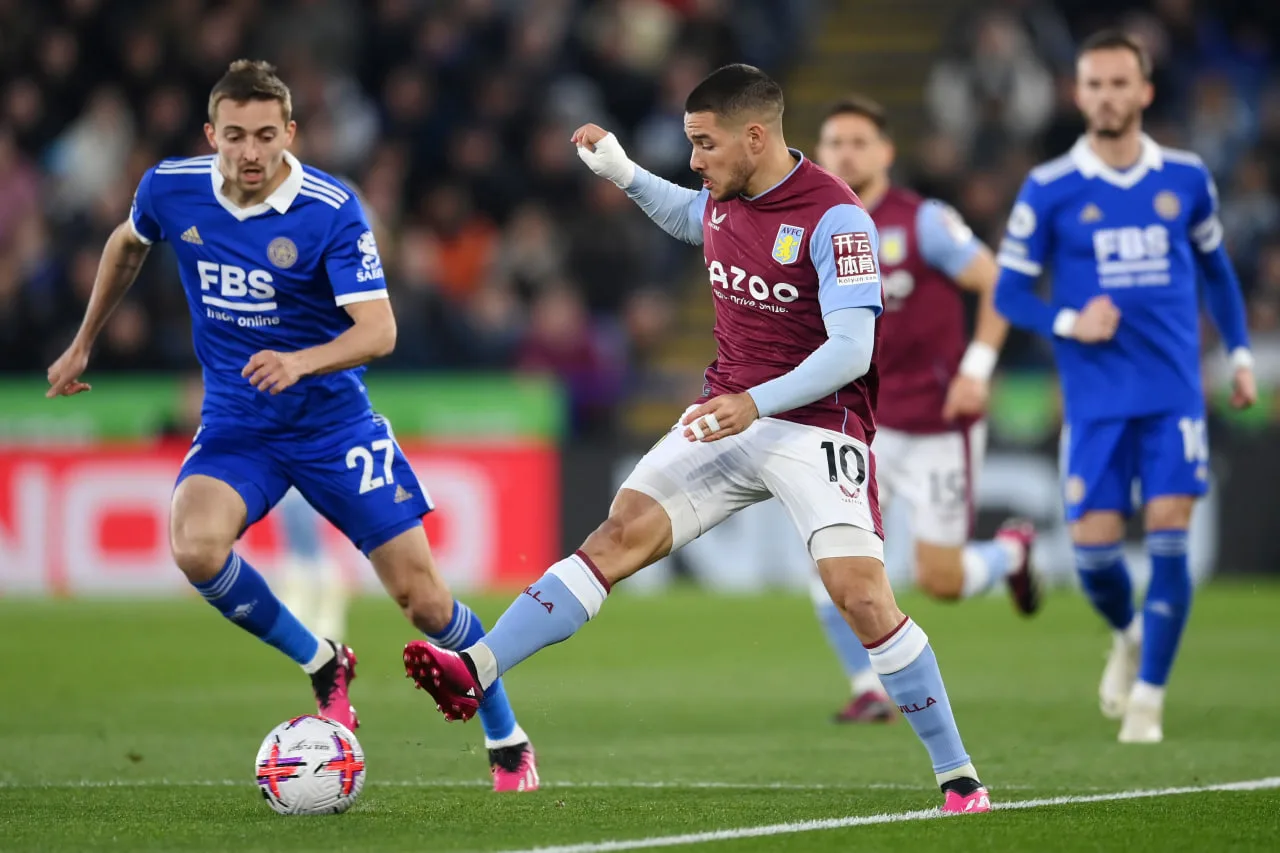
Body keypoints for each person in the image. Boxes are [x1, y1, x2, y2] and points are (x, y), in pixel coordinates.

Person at [404, 63, 991, 814]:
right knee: (618, 533)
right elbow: (690, 214)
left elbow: (852, 350)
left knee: (861, 595)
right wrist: (621, 171)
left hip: (815, 424)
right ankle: (475, 669)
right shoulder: (722, 198)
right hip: (725, 414)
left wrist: (757, 403)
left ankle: (960, 776)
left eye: (705, 144)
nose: (695, 160)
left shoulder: (837, 218)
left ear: (755, 136)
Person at [45, 60, 539, 790]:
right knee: (195, 545)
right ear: (211, 133)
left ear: (290, 133)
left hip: (333, 424)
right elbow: (128, 242)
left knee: (424, 598)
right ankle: (322, 660)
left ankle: (507, 735)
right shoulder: (170, 187)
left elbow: (379, 331)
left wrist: (301, 362)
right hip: (240, 421)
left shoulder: (330, 207)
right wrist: (84, 339)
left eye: (266, 135)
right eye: (235, 135)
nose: (250, 152)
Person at [993, 31, 1255, 743]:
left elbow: (1218, 273)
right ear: (1078, 94)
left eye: (1120, 84)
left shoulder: (1186, 177)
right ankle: (1128, 633)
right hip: (1095, 400)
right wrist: (1071, 319)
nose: (1107, 96)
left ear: (1144, 91)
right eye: (1094, 84)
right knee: (1096, 556)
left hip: (1173, 391)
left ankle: (1149, 698)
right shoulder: (1049, 188)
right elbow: (1009, 292)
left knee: (1170, 541)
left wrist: (1238, 353)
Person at [807, 95, 1040, 724]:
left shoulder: (923, 222)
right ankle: (869, 687)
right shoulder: (813, 225)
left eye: (859, 142)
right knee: (831, 553)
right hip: (861, 424)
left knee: (942, 580)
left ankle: (1013, 552)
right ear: (819, 152)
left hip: (938, 423)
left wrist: (976, 369)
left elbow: (998, 283)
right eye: (835, 142)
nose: (845, 153)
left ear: (885, 153)